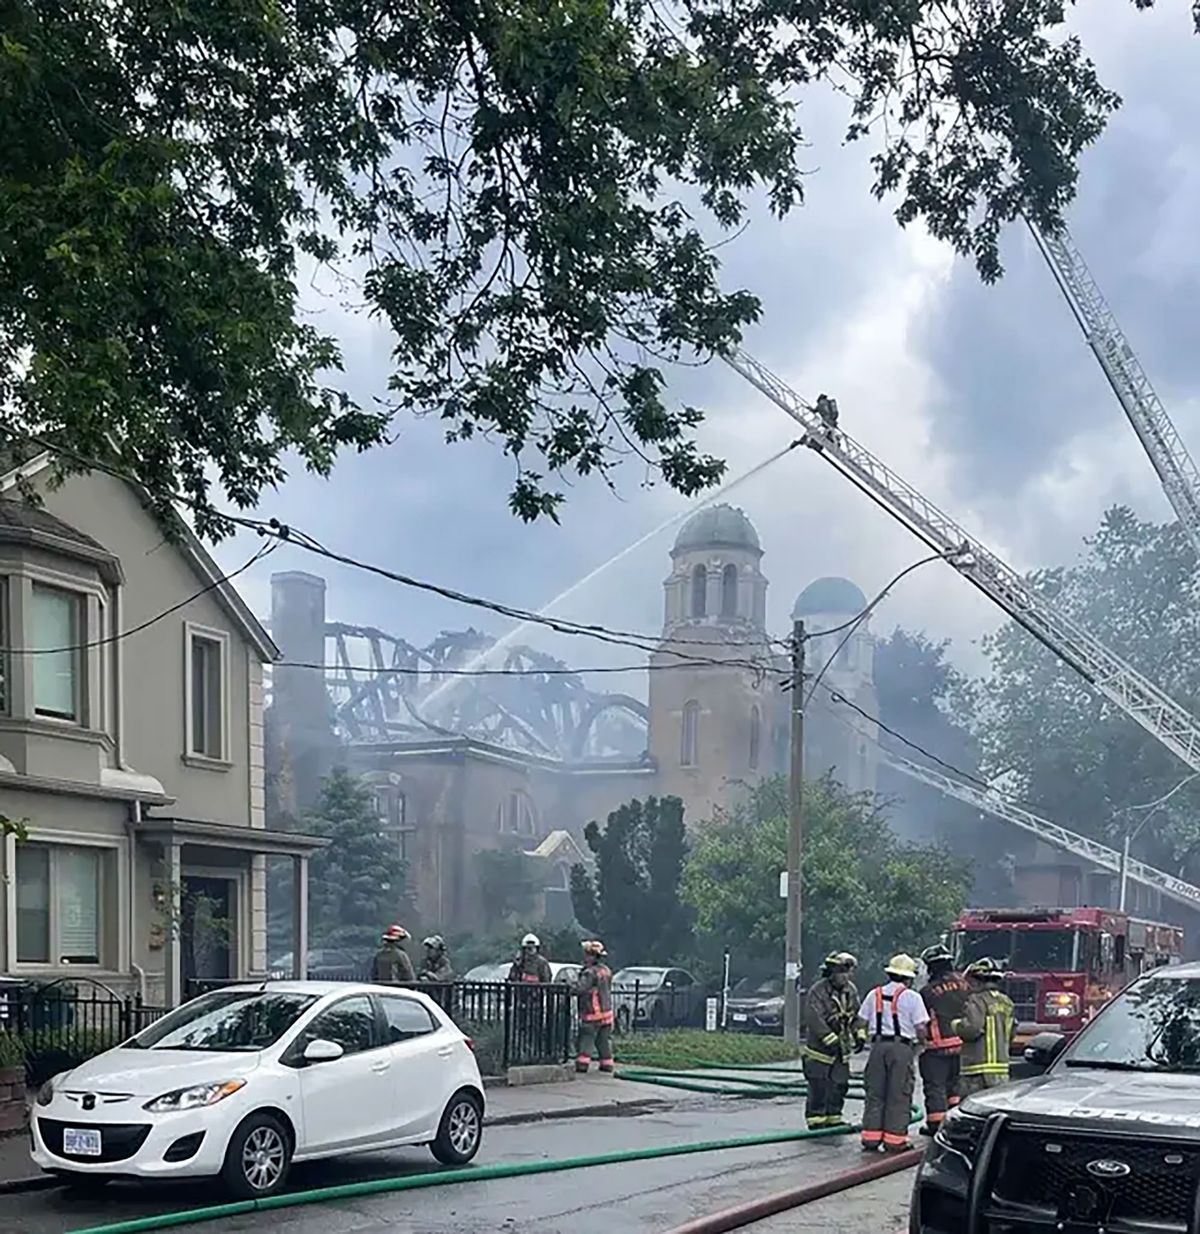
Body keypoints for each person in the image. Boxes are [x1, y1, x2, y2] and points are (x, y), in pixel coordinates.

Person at [858, 954, 929, 1153]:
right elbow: (921, 1027)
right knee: (899, 1093)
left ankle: (870, 1138)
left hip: (878, 1047)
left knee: (875, 1093)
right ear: (909, 978)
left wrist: (862, 1038)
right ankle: (895, 1140)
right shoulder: (913, 997)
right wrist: (924, 1043)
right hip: (902, 1048)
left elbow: (861, 1022)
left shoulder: (874, 994)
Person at [801, 951, 864, 1129]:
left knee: (839, 1084)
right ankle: (816, 1120)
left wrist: (859, 1035)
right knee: (819, 1085)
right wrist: (830, 1039)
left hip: (841, 1050)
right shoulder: (818, 991)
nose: (846, 976)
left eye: (848, 972)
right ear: (831, 972)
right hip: (819, 1050)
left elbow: (856, 1015)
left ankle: (834, 1117)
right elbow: (814, 1018)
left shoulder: (850, 990)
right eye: (842, 972)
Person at [918, 943, 969, 1135]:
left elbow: (921, 1020)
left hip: (937, 1048)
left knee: (935, 1087)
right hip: (963, 1045)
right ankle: (954, 1123)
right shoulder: (966, 985)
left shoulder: (928, 991)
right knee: (955, 1088)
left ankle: (936, 1126)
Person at [951, 957, 1015, 1097]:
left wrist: (956, 1025)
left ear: (978, 980)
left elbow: (972, 1029)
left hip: (977, 1069)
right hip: (1001, 1069)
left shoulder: (977, 1000)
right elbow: (1011, 1032)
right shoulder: (1007, 1002)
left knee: (974, 1110)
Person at [575, 940, 614, 1074]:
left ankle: (582, 1065)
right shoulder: (606, 971)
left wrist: (568, 987)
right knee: (603, 1041)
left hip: (592, 1013)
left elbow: (580, 989)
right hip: (607, 1014)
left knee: (587, 1039)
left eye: (586, 955)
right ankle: (607, 1064)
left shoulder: (589, 973)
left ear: (592, 956)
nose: (585, 957)